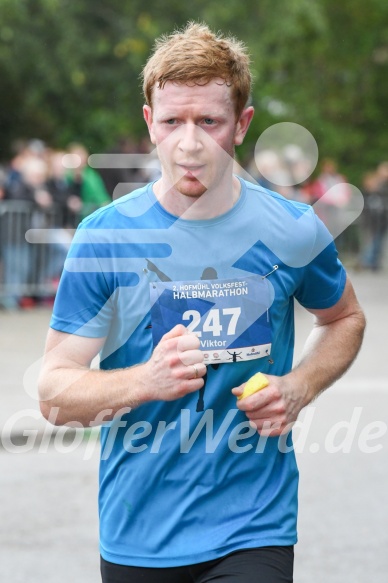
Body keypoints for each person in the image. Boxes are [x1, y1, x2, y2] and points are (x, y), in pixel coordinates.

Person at [39, 22, 366, 583]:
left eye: (208, 122)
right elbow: (54, 392)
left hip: (254, 527)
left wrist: (300, 387)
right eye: (172, 122)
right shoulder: (107, 237)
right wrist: (146, 380)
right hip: (139, 533)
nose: (188, 143)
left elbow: (345, 319)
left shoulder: (291, 229)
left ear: (241, 125)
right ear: (149, 123)